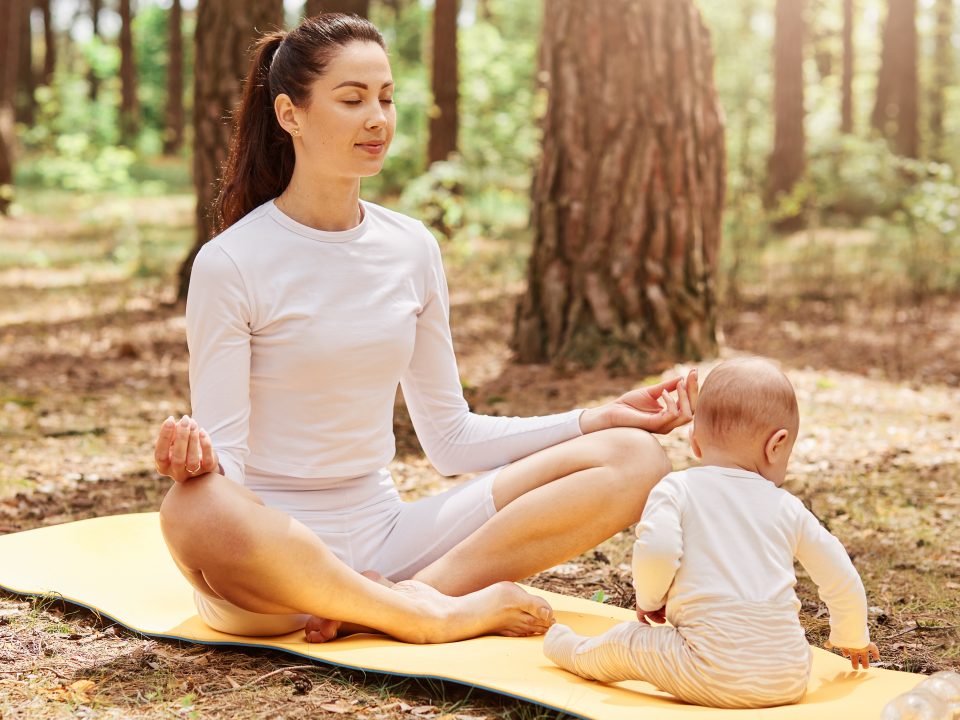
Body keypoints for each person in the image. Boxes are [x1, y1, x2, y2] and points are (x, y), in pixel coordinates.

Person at [154, 13, 698, 646]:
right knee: (193, 509)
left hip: (390, 541)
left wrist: (595, 420)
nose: (377, 118)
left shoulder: (411, 247)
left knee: (634, 457)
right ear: (289, 114)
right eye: (352, 99)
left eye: (385, 98)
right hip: (277, 567)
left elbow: (450, 438)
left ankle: (405, 600)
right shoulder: (231, 262)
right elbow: (232, 463)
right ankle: (420, 614)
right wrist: (198, 466)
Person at [543, 357, 880, 708]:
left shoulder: (676, 489)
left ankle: (567, 649)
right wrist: (852, 636)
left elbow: (657, 551)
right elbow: (840, 574)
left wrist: (650, 599)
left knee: (626, 642)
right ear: (777, 445)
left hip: (706, 668)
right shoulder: (787, 507)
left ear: (695, 441)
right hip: (789, 676)